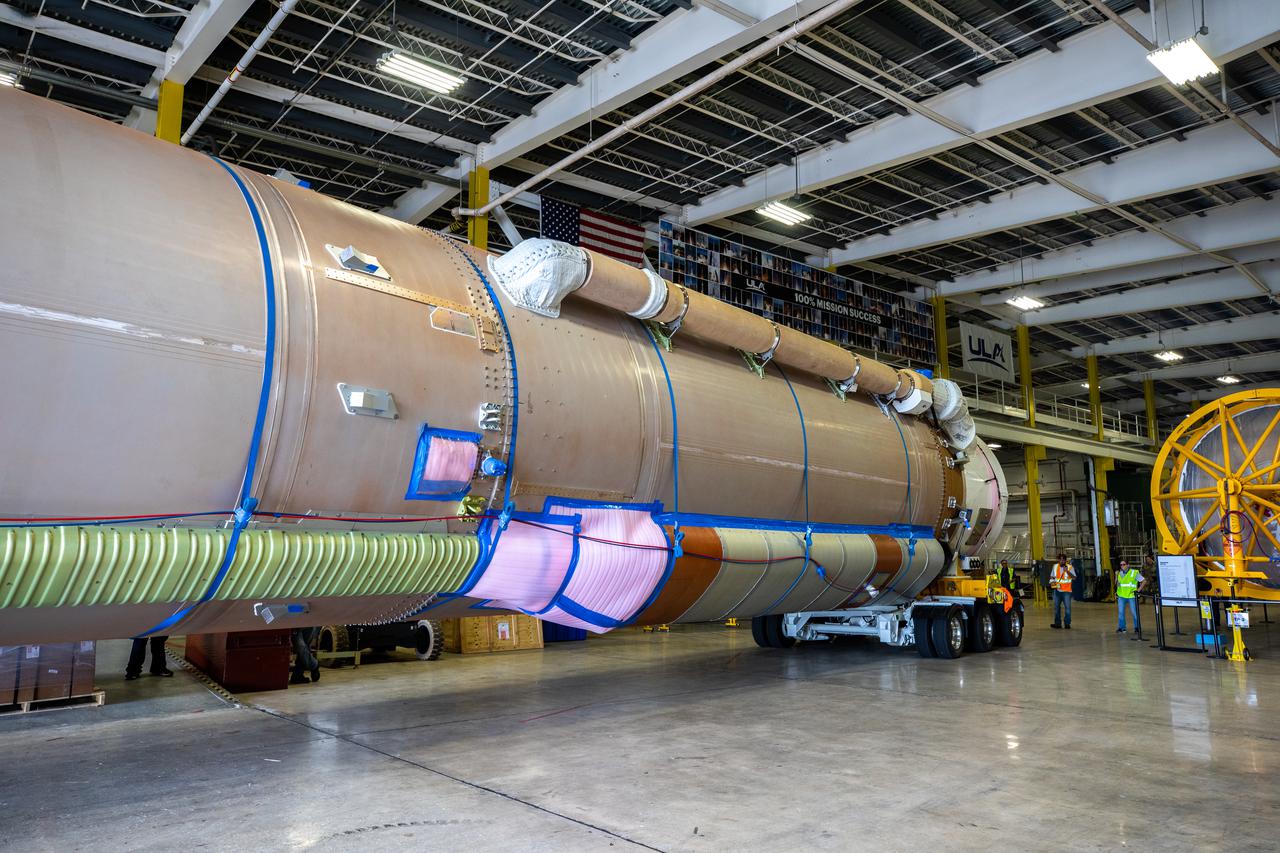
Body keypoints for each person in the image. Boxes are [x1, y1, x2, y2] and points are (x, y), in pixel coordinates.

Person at [1116, 560, 1146, 638]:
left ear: (1128, 565)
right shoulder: (1120, 573)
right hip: (1121, 596)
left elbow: (1144, 581)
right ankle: (1122, 628)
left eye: (1124, 564)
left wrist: (1138, 590)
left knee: (1134, 613)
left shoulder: (1134, 573)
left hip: (1131, 596)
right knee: (1121, 613)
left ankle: (1137, 627)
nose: (1122, 566)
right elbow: (1118, 584)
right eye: (1121, 565)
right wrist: (1116, 576)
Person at [1050, 553, 1076, 630]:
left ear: (1065, 560)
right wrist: (1052, 582)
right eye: (1060, 559)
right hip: (1057, 591)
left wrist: (1067, 571)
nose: (1061, 561)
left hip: (1066, 592)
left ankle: (1067, 623)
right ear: (1058, 560)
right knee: (1056, 608)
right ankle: (1057, 623)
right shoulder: (1055, 566)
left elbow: (1074, 578)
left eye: (1063, 560)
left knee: (1067, 608)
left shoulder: (1070, 567)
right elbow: (1052, 576)